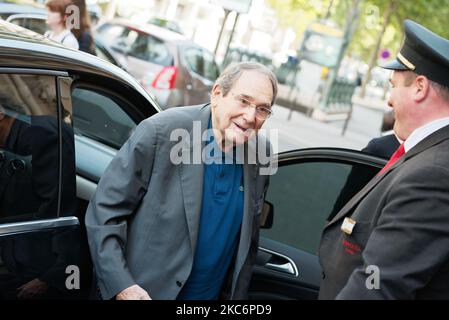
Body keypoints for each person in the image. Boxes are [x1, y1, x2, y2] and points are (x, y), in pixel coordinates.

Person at [85, 62, 277, 300]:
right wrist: (123, 286)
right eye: (244, 101)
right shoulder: (161, 132)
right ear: (217, 93)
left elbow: (248, 245)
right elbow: (103, 214)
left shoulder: (261, 153)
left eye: (262, 109)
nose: (250, 116)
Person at [319, 19, 449, 299]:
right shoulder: (430, 153)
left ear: (420, 88)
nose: (389, 101)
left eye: (393, 86)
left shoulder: (435, 173)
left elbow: (378, 286)